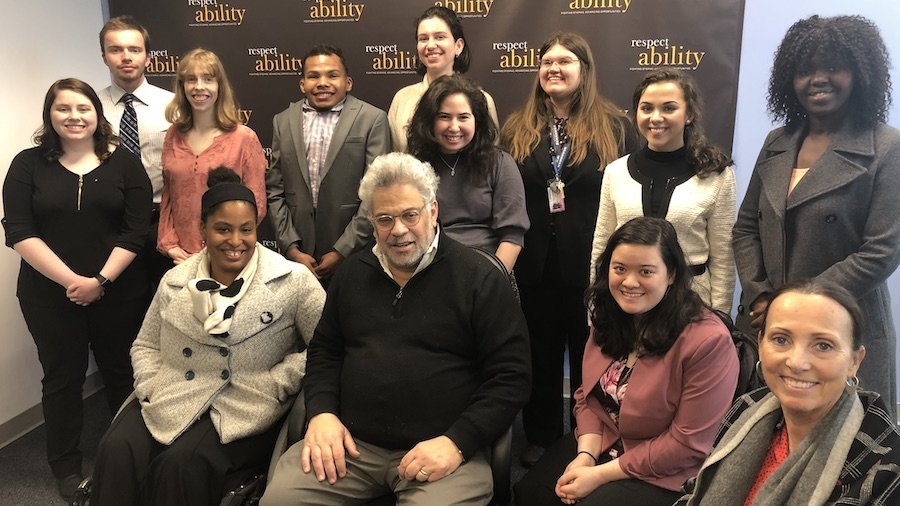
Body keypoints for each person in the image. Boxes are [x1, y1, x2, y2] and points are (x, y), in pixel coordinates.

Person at [260, 153, 530, 505]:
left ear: (433, 211)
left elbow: (512, 376)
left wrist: (458, 442)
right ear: (371, 222)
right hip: (349, 448)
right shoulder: (352, 274)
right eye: (385, 219)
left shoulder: (479, 279)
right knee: (280, 500)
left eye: (410, 215)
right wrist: (322, 413)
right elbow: (326, 352)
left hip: (442, 451)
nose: (398, 230)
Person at [90, 168, 326, 505]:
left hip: (243, 401)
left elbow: (327, 346)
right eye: (222, 229)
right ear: (203, 229)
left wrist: (280, 381)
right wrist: (150, 385)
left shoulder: (292, 280)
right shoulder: (175, 280)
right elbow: (145, 344)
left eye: (246, 230)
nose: (235, 241)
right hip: (170, 392)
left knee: (180, 465)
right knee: (115, 450)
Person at [732, 15, 900, 416]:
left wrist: (795, 305)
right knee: (765, 442)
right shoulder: (778, 142)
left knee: (848, 456)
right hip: (767, 326)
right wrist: (760, 296)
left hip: (843, 328)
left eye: (833, 68)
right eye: (805, 70)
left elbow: (881, 251)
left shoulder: (886, 147)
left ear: (859, 73)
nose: (817, 79)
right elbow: (745, 229)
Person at [514, 217, 739, 505]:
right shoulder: (609, 316)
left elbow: (687, 444)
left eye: (646, 271)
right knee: (531, 494)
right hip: (605, 439)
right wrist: (586, 455)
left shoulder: (708, 342)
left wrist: (600, 474)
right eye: (620, 269)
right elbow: (587, 397)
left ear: (671, 274)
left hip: (665, 466)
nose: (629, 282)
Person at [2, 78, 152, 500]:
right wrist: (74, 283)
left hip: (119, 291)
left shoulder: (125, 162)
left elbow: (137, 229)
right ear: (50, 114)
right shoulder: (27, 165)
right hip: (49, 295)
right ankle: (66, 468)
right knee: (62, 380)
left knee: (122, 374)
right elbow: (18, 231)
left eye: (83, 108)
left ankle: (130, 457)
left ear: (97, 115)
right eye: (63, 108)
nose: (74, 117)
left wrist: (100, 280)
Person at [500, 31, 639, 466]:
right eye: (546, 62)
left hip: (593, 266)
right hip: (534, 265)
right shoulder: (516, 128)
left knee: (591, 358)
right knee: (538, 355)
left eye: (565, 61)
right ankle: (541, 438)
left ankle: (589, 440)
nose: (553, 69)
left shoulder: (616, 126)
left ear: (585, 70)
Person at [677, 279, 900, 505]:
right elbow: (695, 493)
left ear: (854, 361)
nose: (797, 362)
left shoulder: (886, 466)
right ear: (761, 344)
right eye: (781, 339)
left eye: (823, 345)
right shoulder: (746, 408)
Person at [590, 69, 735, 313]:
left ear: (688, 114)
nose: (656, 117)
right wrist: (596, 309)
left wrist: (720, 318)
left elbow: (723, 259)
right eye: (647, 108)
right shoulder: (615, 172)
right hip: (628, 303)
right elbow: (602, 246)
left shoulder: (715, 174)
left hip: (691, 307)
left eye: (668, 108)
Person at [266, 44, 390, 282]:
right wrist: (290, 247)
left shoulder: (372, 120)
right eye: (313, 76)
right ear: (303, 84)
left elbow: (378, 193)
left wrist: (342, 250)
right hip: (299, 256)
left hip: (356, 254)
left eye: (332, 75)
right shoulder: (282, 122)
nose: (322, 82)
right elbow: (275, 190)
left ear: (348, 83)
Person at [407, 74, 529, 273]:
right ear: (429, 121)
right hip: (429, 272)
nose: (454, 127)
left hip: (489, 271)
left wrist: (488, 283)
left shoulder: (500, 163)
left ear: (477, 121)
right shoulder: (414, 167)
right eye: (444, 117)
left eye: (463, 117)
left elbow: (512, 238)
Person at [158, 48, 267, 264]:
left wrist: (215, 250)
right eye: (191, 79)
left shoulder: (244, 138)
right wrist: (170, 245)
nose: (199, 86)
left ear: (219, 86)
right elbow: (169, 196)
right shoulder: (173, 134)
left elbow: (257, 206)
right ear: (182, 87)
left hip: (227, 256)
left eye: (208, 79)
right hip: (178, 258)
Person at [97, 15, 175, 285]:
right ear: (105, 57)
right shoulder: (89, 109)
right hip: (110, 226)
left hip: (161, 224)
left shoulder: (174, 106)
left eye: (134, 49)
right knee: (120, 308)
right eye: (116, 49)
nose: (126, 57)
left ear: (148, 57)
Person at [388, 5, 498, 152]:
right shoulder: (402, 99)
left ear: (458, 46)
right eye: (423, 38)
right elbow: (393, 158)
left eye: (440, 37)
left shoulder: (482, 100)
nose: (431, 45)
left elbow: (490, 159)